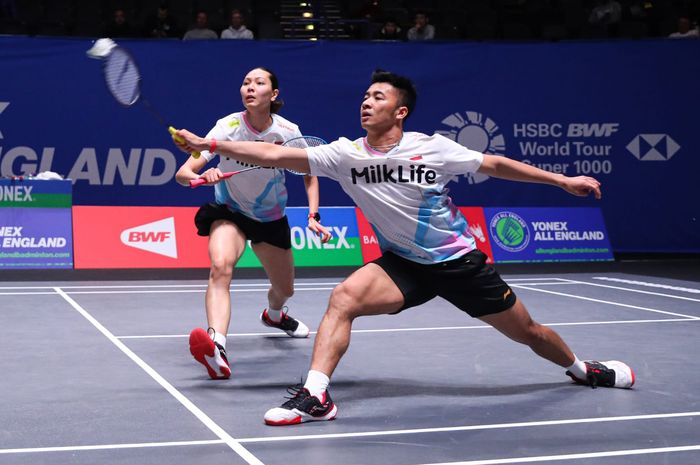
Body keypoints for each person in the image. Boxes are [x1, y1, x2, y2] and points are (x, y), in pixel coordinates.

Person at [173, 70, 635, 424]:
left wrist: (560, 180)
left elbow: (493, 163)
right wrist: (209, 143)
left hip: (458, 263)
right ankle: (315, 395)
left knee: (529, 332)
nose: (366, 102)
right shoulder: (345, 154)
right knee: (342, 299)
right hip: (404, 264)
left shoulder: (431, 148)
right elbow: (274, 154)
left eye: (378, 97)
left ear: (401, 111)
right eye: (365, 96)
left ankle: (581, 369)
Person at [175, 67, 332, 380]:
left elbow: (309, 174)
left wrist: (313, 216)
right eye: (245, 82)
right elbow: (183, 173)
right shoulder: (228, 126)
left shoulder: (288, 131)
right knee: (220, 267)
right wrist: (203, 177)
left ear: (273, 95)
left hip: (269, 218)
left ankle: (274, 315)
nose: (250, 87)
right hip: (228, 210)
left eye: (259, 83)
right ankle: (216, 347)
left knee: (284, 289)